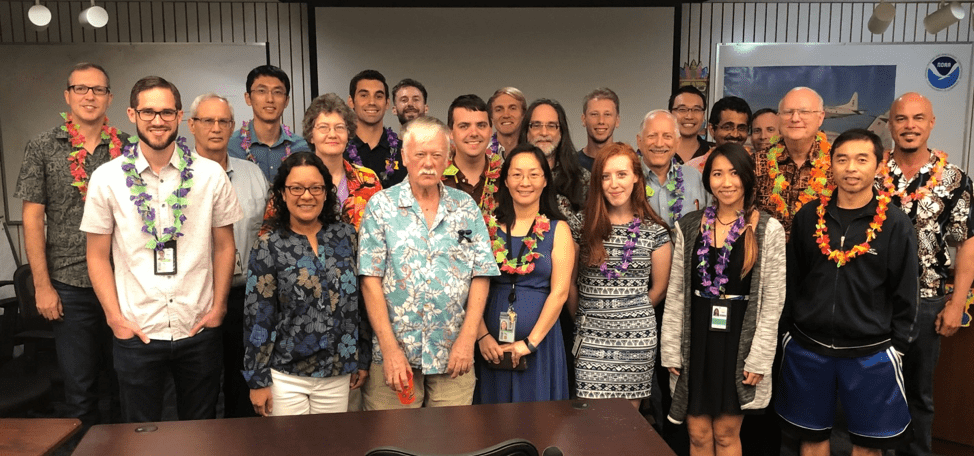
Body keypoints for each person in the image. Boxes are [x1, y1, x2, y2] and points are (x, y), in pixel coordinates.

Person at [81, 76, 242, 422]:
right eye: (149, 112)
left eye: (167, 112)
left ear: (180, 116)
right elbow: (96, 255)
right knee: (142, 435)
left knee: (201, 432)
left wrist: (219, 308)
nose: (158, 120)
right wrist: (114, 318)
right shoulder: (106, 179)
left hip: (198, 326)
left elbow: (225, 247)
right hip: (138, 330)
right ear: (132, 114)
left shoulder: (211, 175)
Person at [778, 128, 919, 456]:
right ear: (831, 165)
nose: (851, 168)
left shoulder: (895, 224)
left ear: (878, 165)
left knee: (868, 446)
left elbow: (906, 292)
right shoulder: (809, 217)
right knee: (812, 439)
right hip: (808, 347)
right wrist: (789, 332)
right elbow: (792, 279)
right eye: (842, 159)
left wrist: (897, 347)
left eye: (861, 159)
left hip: (870, 351)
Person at [358, 116, 500, 409]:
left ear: (448, 157)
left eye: (437, 155)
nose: (428, 163)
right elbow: (370, 280)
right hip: (395, 358)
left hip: (453, 355)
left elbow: (481, 275)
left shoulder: (465, 207)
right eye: (420, 154)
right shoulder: (381, 207)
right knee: (394, 445)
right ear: (405, 157)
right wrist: (389, 350)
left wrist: (467, 340)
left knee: (452, 446)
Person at [14, 62, 124, 434]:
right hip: (69, 284)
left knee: (127, 381)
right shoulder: (43, 147)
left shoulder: (127, 147)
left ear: (109, 97)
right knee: (81, 388)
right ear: (67, 95)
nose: (89, 96)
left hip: (125, 283)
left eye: (97, 89)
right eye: (81, 89)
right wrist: (43, 286)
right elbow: (32, 219)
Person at [661, 143, 787, 456]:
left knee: (726, 434)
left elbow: (773, 302)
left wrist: (759, 357)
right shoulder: (689, 225)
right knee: (698, 434)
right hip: (696, 339)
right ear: (708, 181)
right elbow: (676, 293)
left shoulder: (767, 228)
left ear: (746, 177)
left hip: (738, 342)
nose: (726, 182)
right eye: (717, 173)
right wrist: (671, 350)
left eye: (733, 173)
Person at [879, 93, 973, 456]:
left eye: (918, 118)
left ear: (931, 123)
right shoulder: (870, 169)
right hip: (872, 298)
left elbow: (967, 243)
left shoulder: (954, 178)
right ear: (890, 124)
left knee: (919, 393)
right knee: (872, 387)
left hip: (927, 300)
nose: (910, 126)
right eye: (901, 119)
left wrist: (957, 302)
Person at [242, 152, 368, 416]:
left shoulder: (346, 237)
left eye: (315, 188)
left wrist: (361, 357)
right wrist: (257, 379)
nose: (307, 196)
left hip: (337, 372)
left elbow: (360, 304)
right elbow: (258, 317)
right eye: (296, 188)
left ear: (326, 192)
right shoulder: (269, 245)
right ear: (283, 193)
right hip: (286, 376)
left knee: (333, 449)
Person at [187, 93, 269, 418]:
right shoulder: (180, 177)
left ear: (233, 127)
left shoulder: (253, 175)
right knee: (201, 389)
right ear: (192, 125)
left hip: (246, 298)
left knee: (243, 388)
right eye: (208, 120)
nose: (216, 128)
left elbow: (269, 234)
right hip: (197, 297)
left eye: (224, 121)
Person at [574, 142, 672, 408]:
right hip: (590, 337)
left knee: (626, 428)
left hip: (635, 340)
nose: (614, 184)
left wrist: (626, 312)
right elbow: (570, 285)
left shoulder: (656, 231)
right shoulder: (580, 226)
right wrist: (588, 315)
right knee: (589, 426)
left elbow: (660, 289)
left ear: (636, 177)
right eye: (605, 176)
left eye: (621, 174)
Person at [475, 144, 574, 404]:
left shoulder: (559, 229)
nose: (525, 182)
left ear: (545, 180)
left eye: (533, 174)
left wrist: (529, 343)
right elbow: (471, 286)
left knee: (538, 427)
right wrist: (482, 336)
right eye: (517, 174)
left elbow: (560, 292)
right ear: (505, 180)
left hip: (540, 347)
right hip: (490, 348)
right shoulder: (488, 227)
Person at [755, 87, 831, 237]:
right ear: (778, 118)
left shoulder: (838, 162)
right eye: (788, 112)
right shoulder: (757, 162)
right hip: (767, 255)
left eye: (804, 112)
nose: (795, 118)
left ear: (821, 117)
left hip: (821, 254)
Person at [303, 93, 382, 230]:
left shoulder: (368, 180)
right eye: (323, 127)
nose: (332, 134)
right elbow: (271, 232)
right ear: (311, 135)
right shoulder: (293, 179)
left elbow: (383, 229)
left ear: (348, 134)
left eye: (339, 127)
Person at [519, 98, 590, 237]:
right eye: (536, 125)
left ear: (561, 132)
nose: (544, 132)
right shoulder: (512, 177)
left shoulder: (583, 179)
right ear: (526, 131)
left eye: (551, 126)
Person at [228, 65, 310, 181]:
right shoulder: (230, 147)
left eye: (277, 92)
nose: (270, 99)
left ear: (286, 101)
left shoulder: (301, 148)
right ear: (248, 98)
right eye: (261, 91)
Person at [637, 110, 710, 228]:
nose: (659, 144)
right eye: (652, 136)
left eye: (667, 136)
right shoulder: (627, 179)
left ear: (677, 142)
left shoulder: (696, 178)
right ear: (639, 141)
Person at [443, 94, 502, 219]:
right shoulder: (435, 178)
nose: (474, 133)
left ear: (490, 131)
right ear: (451, 133)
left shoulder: (506, 179)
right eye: (464, 126)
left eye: (481, 125)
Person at [345, 69, 407, 188]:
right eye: (364, 95)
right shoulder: (339, 152)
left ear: (387, 103)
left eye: (378, 96)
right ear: (351, 102)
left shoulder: (405, 151)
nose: (372, 102)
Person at [687, 96, 753, 172]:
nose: (735, 134)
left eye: (741, 128)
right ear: (712, 130)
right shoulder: (691, 170)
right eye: (728, 127)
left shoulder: (755, 167)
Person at [577, 88, 621, 171]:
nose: (601, 121)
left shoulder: (628, 164)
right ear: (583, 119)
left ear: (617, 120)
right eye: (594, 114)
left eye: (607, 114)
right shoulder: (570, 166)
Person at [669, 86, 712, 164]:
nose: (689, 116)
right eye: (682, 109)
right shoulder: (658, 152)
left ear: (703, 115)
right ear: (670, 114)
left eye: (696, 110)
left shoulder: (713, 154)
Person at [487, 87, 526, 157]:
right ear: (491, 117)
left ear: (523, 114)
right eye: (499, 109)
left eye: (512, 108)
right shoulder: (482, 154)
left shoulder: (535, 153)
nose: (506, 115)